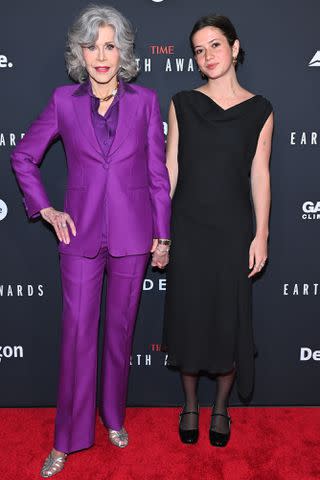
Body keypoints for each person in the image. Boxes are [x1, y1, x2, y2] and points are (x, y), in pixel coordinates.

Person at [11, 4, 170, 477]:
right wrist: (47, 209)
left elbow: (157, 174)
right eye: (92, 46)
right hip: (78, 236)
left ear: (122, 52)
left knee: (119, 335)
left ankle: (114, 418)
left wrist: (163, 235)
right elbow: (23, 157)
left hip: (133, 237)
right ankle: (67, 438)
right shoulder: (64, 101)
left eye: (110, 45)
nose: (101, 56)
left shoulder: (145, 102)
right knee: (77, 335)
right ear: (79, 52)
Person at [162, 14, 273, 447]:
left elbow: (260, 175)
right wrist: (161, 230)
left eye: (214, 45)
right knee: (190, 317)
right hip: (187, 228)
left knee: (228, 321)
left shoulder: (260, 108)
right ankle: (190, 404)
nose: (207, 55)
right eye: (198, 49)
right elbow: (170, 169)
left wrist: (261, 234)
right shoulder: (183, 102)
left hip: (232, 231)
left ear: (235, 47)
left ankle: (222, 407)